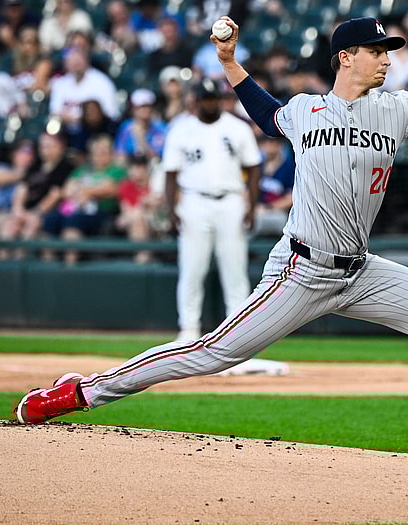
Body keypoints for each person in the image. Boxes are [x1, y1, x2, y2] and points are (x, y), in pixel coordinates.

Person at [14, 17, 408, 466]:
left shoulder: (398, 106)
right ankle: (83, 391)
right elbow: (261, 107)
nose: (387, 59)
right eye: (376, 51)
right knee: (214, 352)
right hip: (301, 269)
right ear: (346, 57)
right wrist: (229, 61)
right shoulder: (303, 110)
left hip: (359, 271)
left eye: (389, 51)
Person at [163, 78, 262, 341]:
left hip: (231, 200)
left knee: (235, 269)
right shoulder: (181, 130)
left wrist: (251, 207)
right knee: (192, 269)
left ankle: (237, 333)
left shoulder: (238, 128)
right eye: (205, 99)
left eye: (213, 98)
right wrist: (171, 210)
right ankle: (188, 330)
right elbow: (170, 174)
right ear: (195, 101)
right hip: (194, 201)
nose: (210, 103)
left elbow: (253, 169)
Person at [40, 134, 126, 264]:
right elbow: (67, 190)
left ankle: (70, 265)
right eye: (96, 152)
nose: (99, 155)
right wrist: (88, 191)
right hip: (75, 209)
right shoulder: (83, 170)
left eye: (103, 152)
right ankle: (47, 264)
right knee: (50, 219)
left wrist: (84, 190)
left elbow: (110, 189)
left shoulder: (116, 170)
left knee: (74, 221)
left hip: (102, 213)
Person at [0, 131, 76, 260]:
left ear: (60, 147)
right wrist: (18, 210)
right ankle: (3, 267)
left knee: (30, 227)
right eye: (43, 146)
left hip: (47, 212)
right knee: (9, 225)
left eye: (49, 146)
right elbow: (22, 188)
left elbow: (55, 194)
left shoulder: (66, 167)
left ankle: (20, 268)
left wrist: (36, 212)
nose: (45, 150)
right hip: (26, 211)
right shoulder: (35, 165)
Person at [48, 46, 121, 132]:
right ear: (66, 65)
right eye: (72, 62)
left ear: (87, 61)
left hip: (93, 132)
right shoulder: (61, 83)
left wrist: (81, 119)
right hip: (66, 132)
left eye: (79, 62)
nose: (76, 65)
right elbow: (54, 111)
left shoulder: (102, 82)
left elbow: (111, 113)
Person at [115, 154, 166, 264]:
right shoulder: (126, 186)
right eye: (131, 168)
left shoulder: (155, 183)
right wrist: (142, 204)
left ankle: (142, 257)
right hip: (136, 221)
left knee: (138, 214)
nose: (134, 171)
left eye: (138, 167)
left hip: (159, 221)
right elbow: (126, 211)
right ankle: (143, 256)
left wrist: (146, 204)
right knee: (136, 216)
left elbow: (159, 202)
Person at [252, 134, 295, 237]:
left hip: (278, 213)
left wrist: (267, 207)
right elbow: (246, 192)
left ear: (280, 145)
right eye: (266, 143)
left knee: (253, 222)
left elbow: (292, 198)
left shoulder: (289, 167)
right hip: (257, 210)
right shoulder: (258, 166)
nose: (269, 146)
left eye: (273, 143)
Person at [114, 88, 168, 165]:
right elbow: (119, 154)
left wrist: (141, 140)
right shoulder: (126, 127)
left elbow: (160, 158)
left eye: (148, 106)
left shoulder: (161, 127)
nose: (146, 110)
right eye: (142, 107)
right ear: (134, 109)